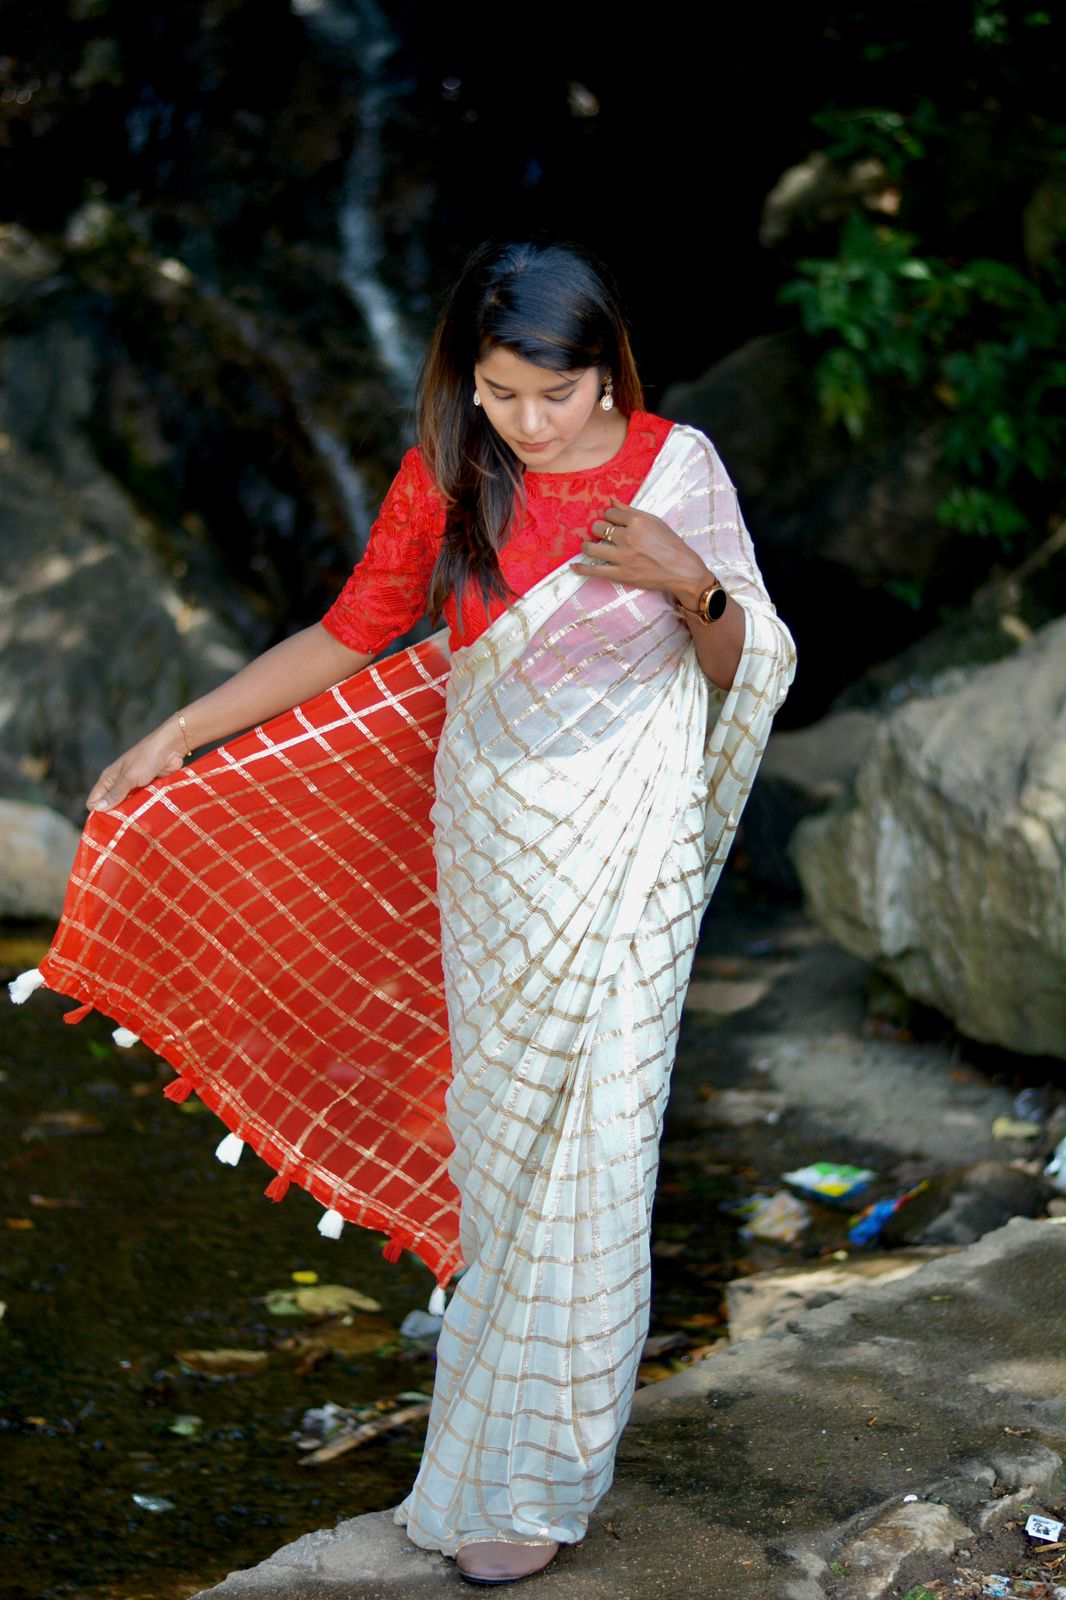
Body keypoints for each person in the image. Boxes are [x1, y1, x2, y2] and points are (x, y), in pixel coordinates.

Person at [19, 240, 796, 1586]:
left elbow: (744, 666)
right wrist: (178, 735)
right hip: (491, 852)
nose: (525, 421)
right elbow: (351, 631)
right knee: (503, 1162)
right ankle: (478, 1456)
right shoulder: (460, 470)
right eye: (497, 391)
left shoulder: (682, 470)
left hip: (625, 851)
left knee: (597, 1151)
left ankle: (539, 1477)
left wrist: (688, 579)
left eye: (551, 395)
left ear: (607, 371)